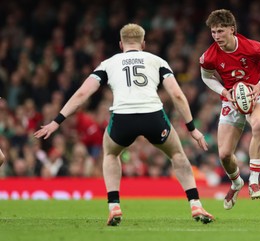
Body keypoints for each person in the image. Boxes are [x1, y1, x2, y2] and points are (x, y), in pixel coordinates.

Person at [34, 23, 214, 225]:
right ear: (143, 43)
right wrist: (192, 129)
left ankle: (114, 206)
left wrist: (56, 122)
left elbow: (83, 93)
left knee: (111, 154)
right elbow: (178, 95)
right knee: (177, 154)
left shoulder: (108, 63)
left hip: (123, 117)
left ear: (121, 44)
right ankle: (195, 204)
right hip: (152, 115)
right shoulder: (157, 61)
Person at [200, 9, 260, 210]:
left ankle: (254, 180)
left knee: (258, 124)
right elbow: (206, 76)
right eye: (213, 32)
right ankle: (237, 183)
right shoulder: (209, 56)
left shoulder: (252, 47)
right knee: (224, 155)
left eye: (220, 31)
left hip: (255, 95)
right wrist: (224, 92)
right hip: (231, 100)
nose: (217, 36)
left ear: (232, 29)